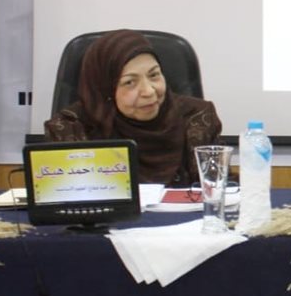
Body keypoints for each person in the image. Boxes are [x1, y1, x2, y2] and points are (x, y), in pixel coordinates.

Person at [45, 29, 222, 186]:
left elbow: (216, 191)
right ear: (104, 89)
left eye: (154, 75)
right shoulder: (71, 128)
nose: (149, 91)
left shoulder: (196, 118)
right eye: (130, 82)